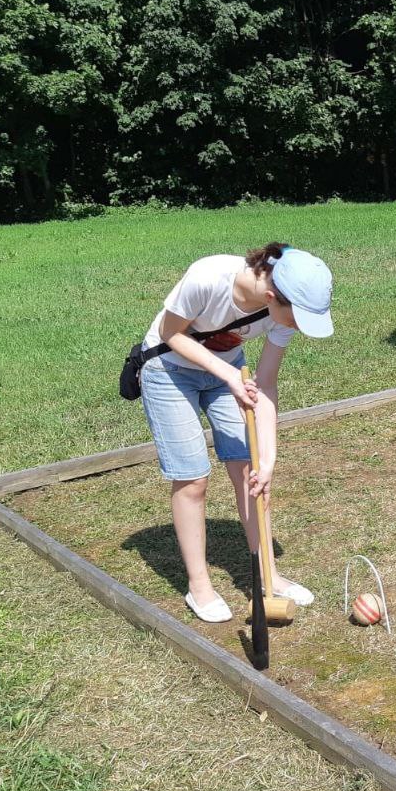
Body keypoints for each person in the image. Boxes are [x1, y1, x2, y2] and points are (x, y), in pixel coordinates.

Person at [139, 244, 334, 622]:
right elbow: (170, 332)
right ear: (272, 296)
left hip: (229, 371)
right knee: (193, 477)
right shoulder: (208, 277)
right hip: (167, 369)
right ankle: (199, 586)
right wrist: (228, 375)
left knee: (250, 471)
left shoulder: (281, 313)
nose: (295, 326)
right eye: (297, 318)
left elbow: (266, 385)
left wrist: (270, 460)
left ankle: (269, 576)